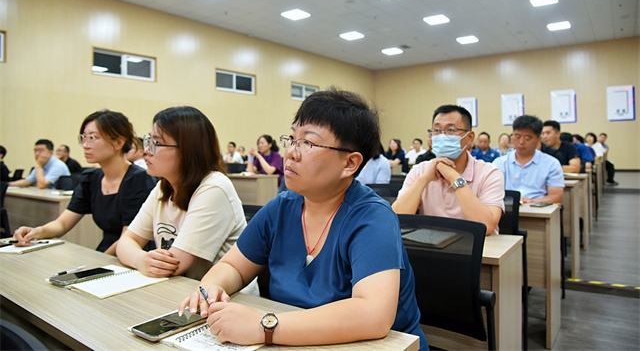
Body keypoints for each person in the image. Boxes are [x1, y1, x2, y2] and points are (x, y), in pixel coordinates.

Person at [178, 88, 428, 349]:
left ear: (349, 164)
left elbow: (372, 315)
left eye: (308, 143)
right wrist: (211, 288)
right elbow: (233, 267)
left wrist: (264, 326)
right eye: (292, 138)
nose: (291, 153)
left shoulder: (373, 217)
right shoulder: (280, 208)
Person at [116, 106, 248, 280]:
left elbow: (174, 265)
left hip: (223, 294)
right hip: (181, 289)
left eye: (156, 143)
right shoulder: (164, 187)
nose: (146, 151)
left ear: (188, 150)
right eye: (149, 141)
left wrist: (143, 260)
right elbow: (125, 242)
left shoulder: (214, 188)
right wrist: (141, 260)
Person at [12, 111, 156, 254]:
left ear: (118, 142)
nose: (85, 145)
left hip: (133, 254)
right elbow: (62, 223)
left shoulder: (138, 180)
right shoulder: (91, 178)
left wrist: (97, 262)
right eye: (83, 138)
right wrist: (36, 232)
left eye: (92, 138)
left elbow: (129, 239)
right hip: (107, 252)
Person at [392, 105, 504, 235]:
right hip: (433, 245)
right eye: (437, 130)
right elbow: (395, 220)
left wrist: (453, 177)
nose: (442, 136)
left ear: (469, 138)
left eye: (451, 130)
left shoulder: (490, 173)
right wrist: (425, 179)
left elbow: (486, 226)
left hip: (478, 247)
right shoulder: (420, 171)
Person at [493, 115, 564, 204]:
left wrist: (533, 201)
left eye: (527, 138)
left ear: (538, 139)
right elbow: (491, 194)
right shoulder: (500, 163)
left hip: (538, 209)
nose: (521, 142)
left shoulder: (551, 164)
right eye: (517, 136)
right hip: (507, 209)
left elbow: (556, 196)